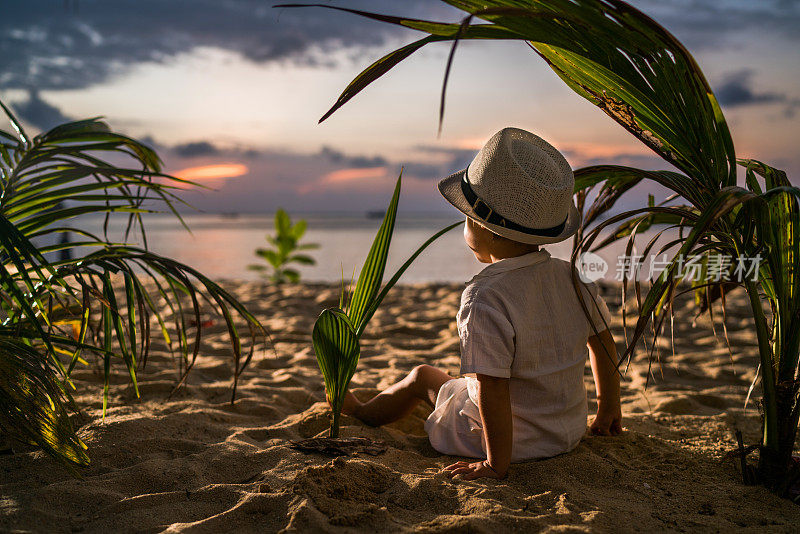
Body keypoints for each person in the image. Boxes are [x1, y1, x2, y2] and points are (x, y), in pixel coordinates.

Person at [337, 127, 621, 481]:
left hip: (508, 444)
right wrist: (609, 408)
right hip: (566, 432)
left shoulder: (485, 295)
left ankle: (363, 412)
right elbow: (603, 343)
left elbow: (493, 387)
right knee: (468, 379)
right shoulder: (574, 279)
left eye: (466, 218)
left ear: (481, 227)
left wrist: (494, 464)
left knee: (423, 377)